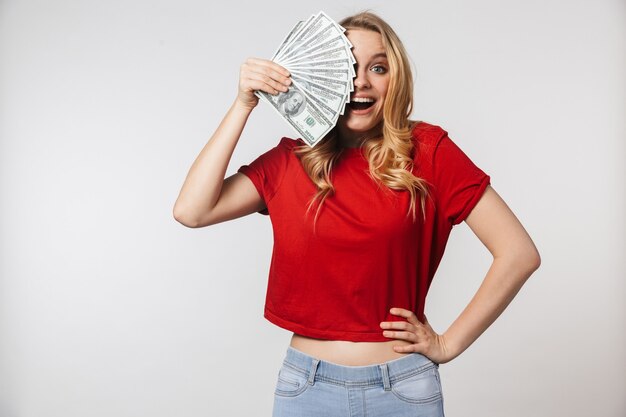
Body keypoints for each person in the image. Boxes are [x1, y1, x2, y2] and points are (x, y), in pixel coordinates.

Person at [173, 11, 540, 417]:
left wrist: (448, 343)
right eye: (347, 67)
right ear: (321, 77)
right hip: (307, 389)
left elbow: (519, 252)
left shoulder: (428, 151)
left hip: (403, 388)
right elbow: (192, 210)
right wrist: (243, 103)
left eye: (377, 67)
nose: (361, 81)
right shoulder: (288, 161)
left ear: (394, 80)